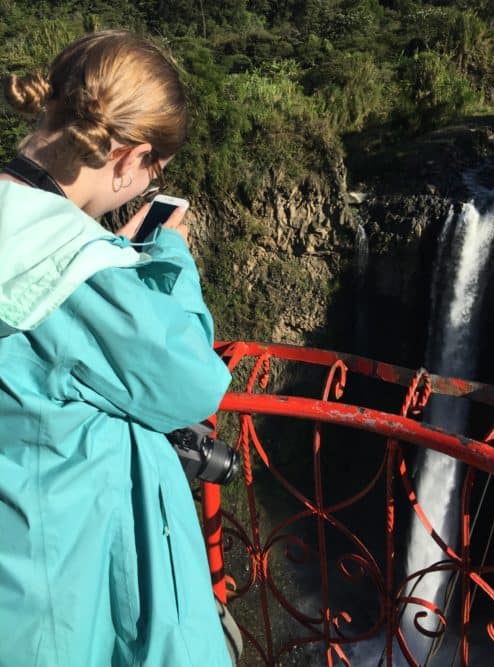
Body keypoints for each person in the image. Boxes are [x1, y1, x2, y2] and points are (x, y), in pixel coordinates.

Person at [0, 30, 233, 666]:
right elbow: (192, 381)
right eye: (154, 170)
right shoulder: (80, 269)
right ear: (128, 157)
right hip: (56, 589)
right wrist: (168, 260)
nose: (144, 185)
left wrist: (109, 260)